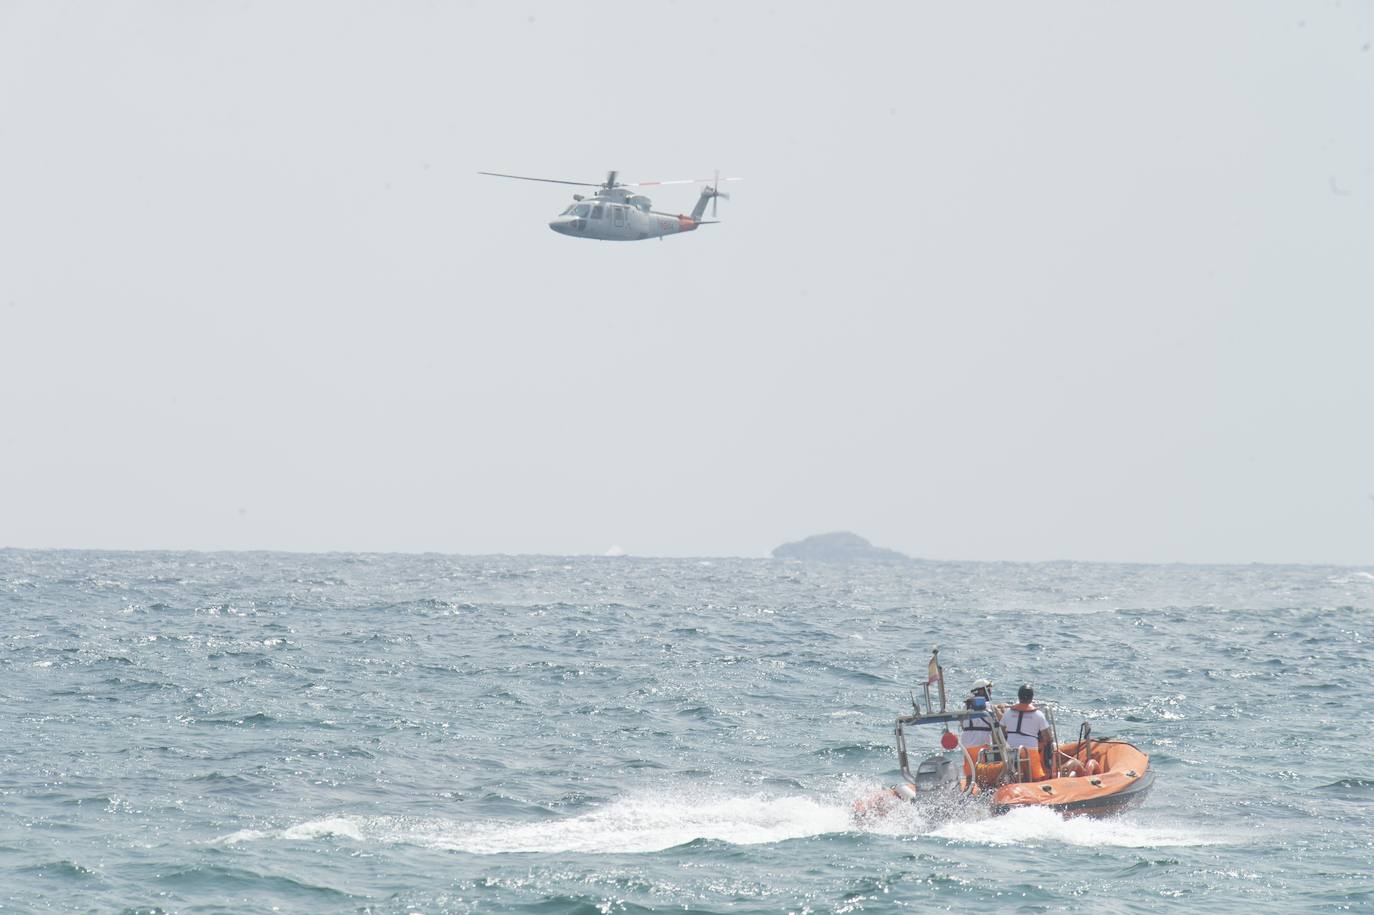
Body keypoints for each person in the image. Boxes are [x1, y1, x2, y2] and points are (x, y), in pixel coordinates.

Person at [1000, 684, 1053, 780]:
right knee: (1036, 778)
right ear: (1031, 698)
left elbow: (1001, 732)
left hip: (1010, 751)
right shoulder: (1038, 715)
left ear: (1019, 697)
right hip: (1030, 751)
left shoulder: (1008, 713)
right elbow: (1047, 738)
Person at [960, 679, 999, 749]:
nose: (990, 692)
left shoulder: (965, 707)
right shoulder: (990, 707)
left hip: (967, 750)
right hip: (982, 749)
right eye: (989, 690)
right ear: (982, 691)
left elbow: (962, 725)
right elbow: (1001, 721)